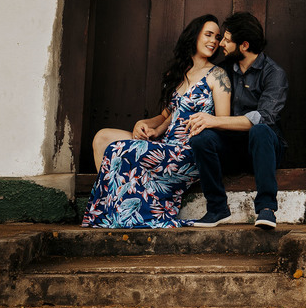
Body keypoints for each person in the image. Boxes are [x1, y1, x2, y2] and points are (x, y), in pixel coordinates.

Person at [82, 14, 231, 228]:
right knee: (103, 138)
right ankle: (117, 206)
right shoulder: (178, 73)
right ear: (194, 36)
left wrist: (208, 121)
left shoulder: (218, 76)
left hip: (188, 152)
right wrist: (144, 125)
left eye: (217, 37)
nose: (214, 41)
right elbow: (165, 116)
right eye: (208, 35)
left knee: (123, 149)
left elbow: (223, 122)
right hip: (164, 145)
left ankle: (115, 214)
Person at [187, 11, 288, 229]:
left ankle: (266, 209)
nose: (220, 43)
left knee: (260, 130)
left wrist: (213, 120)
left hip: (265, 149)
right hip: (233, 148)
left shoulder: (274, 74)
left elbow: (263, 118)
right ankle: (216, 209)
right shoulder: (224, 70)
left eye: (226, 39)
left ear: (243, 45)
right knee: (201, 139)